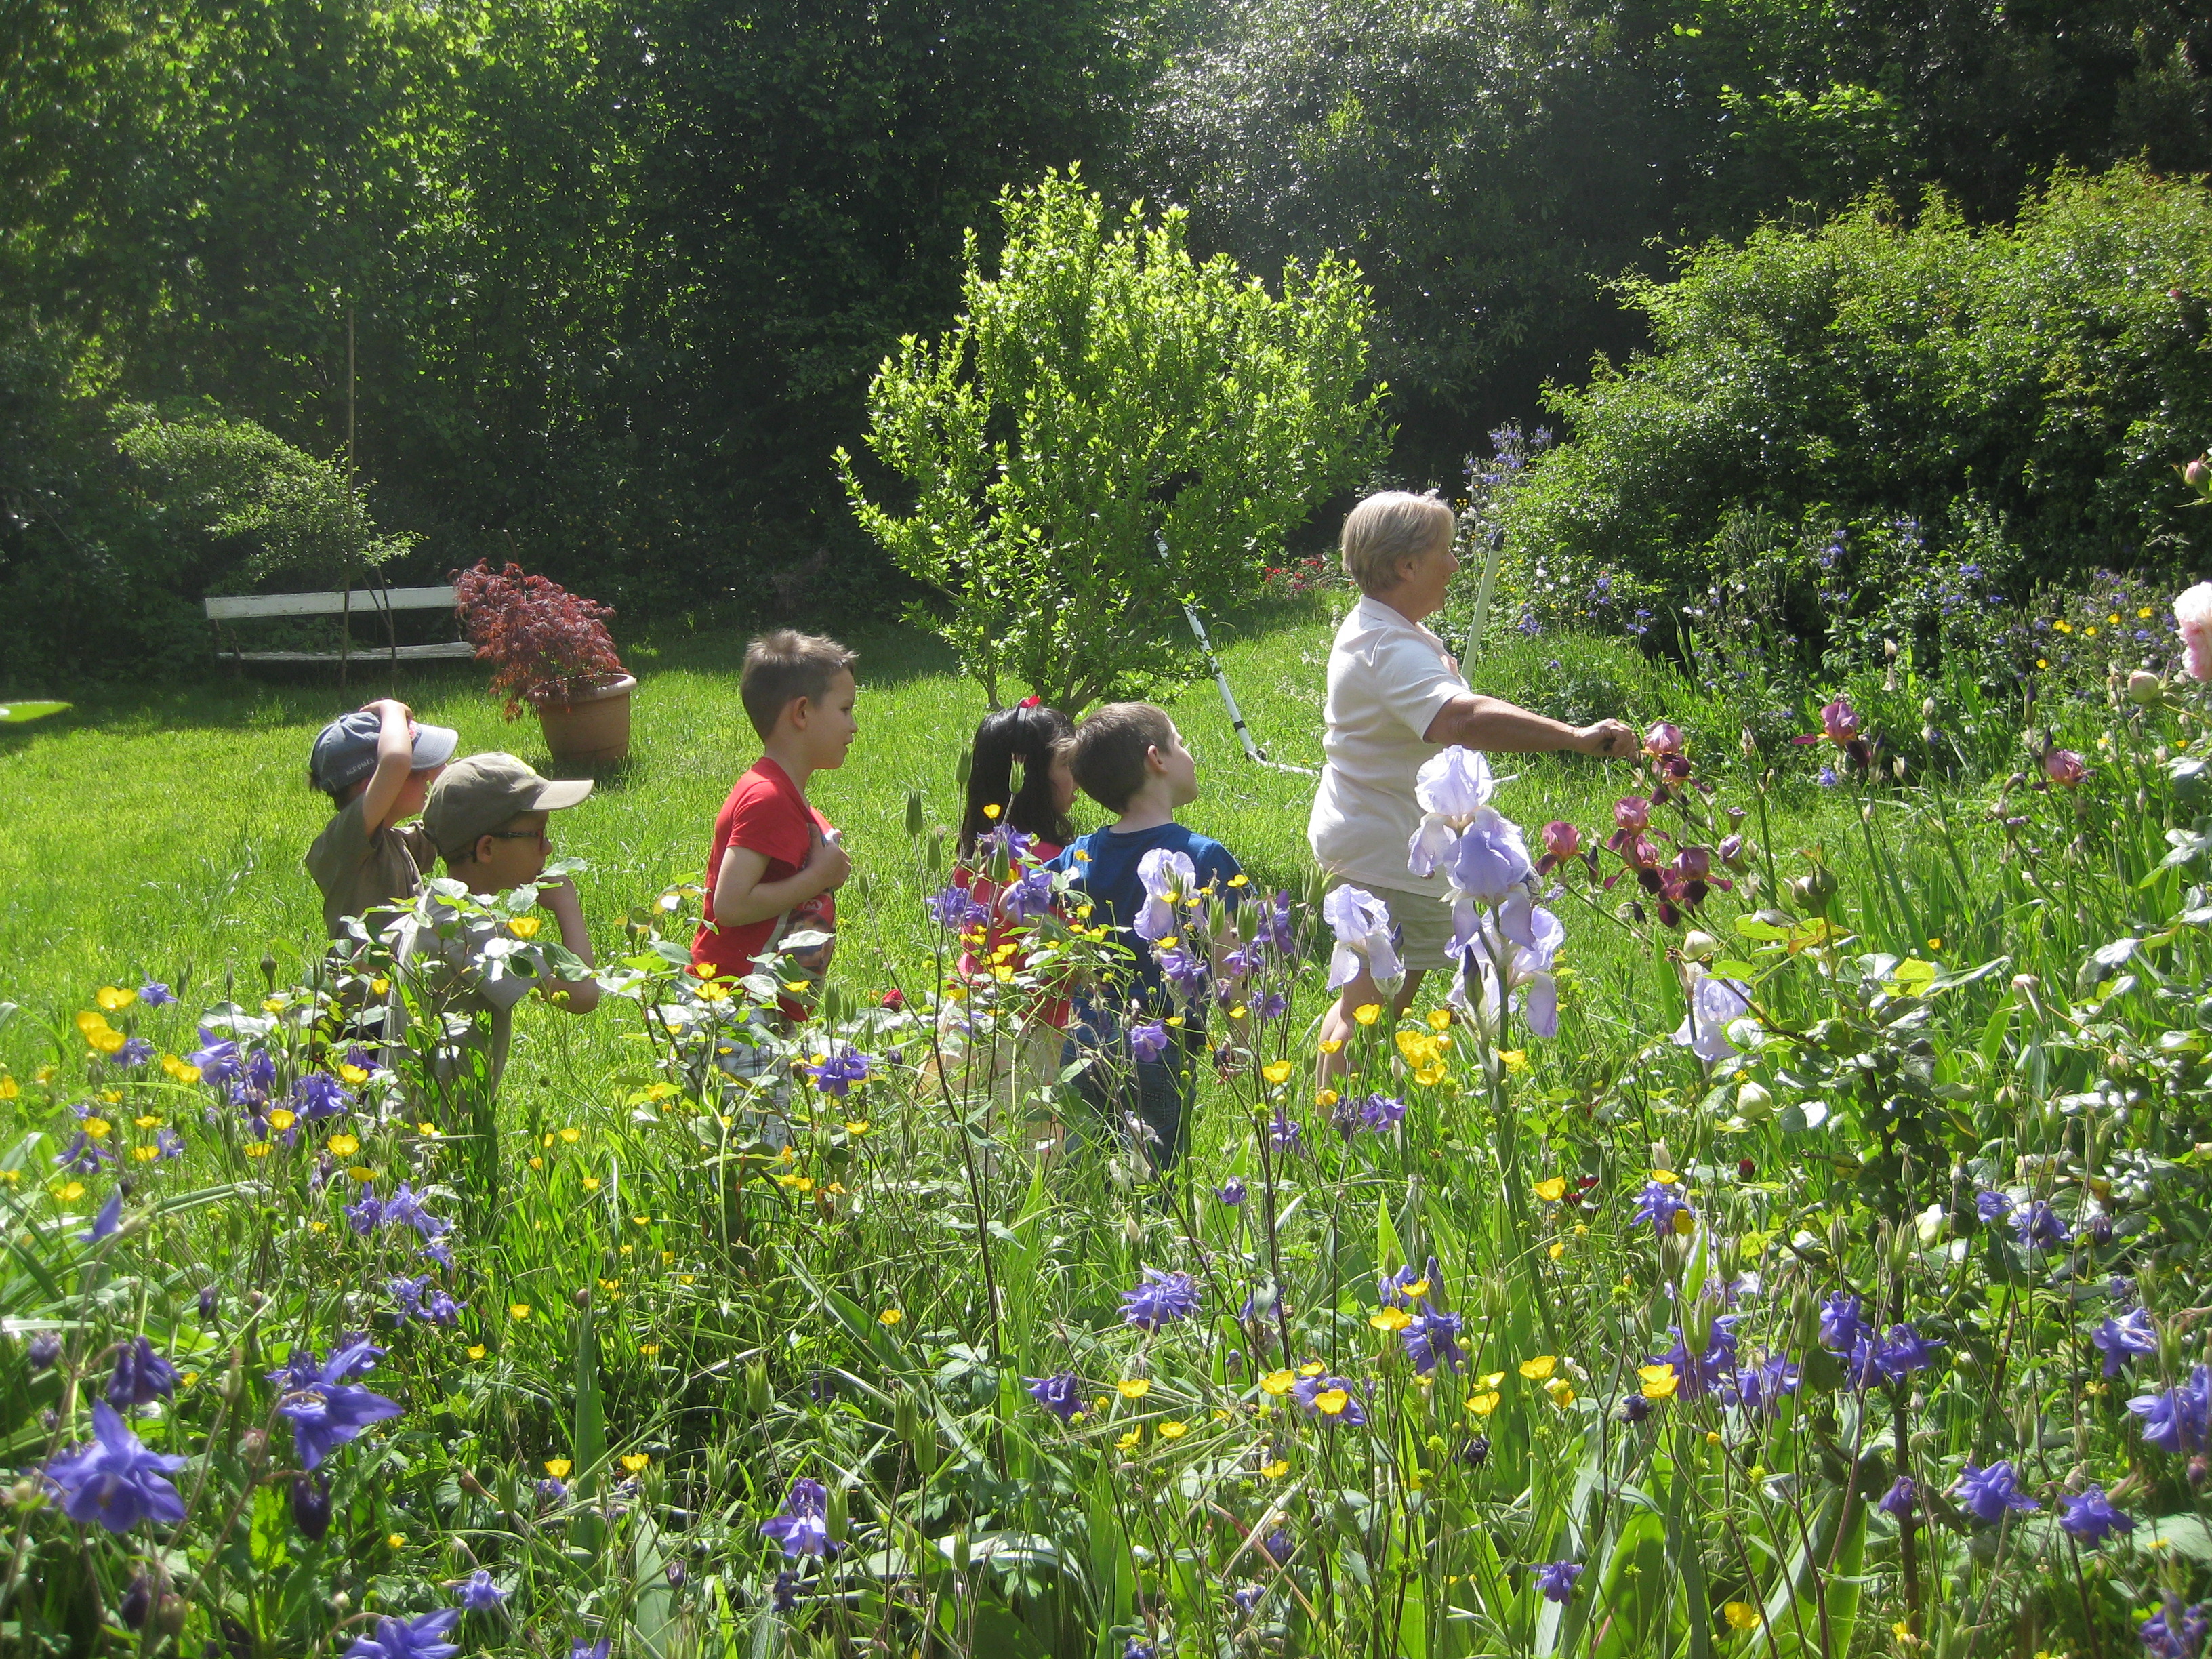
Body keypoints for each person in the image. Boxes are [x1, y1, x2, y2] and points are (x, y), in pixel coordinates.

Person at [1308, 491, 1636, 1062]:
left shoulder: (1387, 630)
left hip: (1375, 840)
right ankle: (1331, 1136)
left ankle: (1338, 1122)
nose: (1455, 566)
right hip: (1381, 853)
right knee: (1366, 1010)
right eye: (1445, 552)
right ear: (1408, 566)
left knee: (1378, 1004)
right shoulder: (1387, 644)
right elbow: (1458, 718)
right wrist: (1575, 737)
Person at [1045, 703, 1241, 1173]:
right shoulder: (1201, 856)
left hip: (1084, 1042)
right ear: (1158, 759)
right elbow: (1231, 961)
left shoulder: (1079, 855)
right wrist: (1240, 1040)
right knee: (1158, 1181)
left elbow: (1024, 902)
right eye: (1182, 742)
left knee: (1087, 1174)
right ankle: (1153, 1247)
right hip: (1160, 1045)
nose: (1190, 753)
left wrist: (1076, 967)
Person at [393, 752, 603, 1097]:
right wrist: (567, 904)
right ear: (487, 848)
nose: (548, 847)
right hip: (435, 1136)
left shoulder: (443, 906)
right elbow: (581, 995)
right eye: (537, 834)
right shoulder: (469, 925)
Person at [691, 630, 857, 1021]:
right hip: (734, 1007)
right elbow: (730, 906)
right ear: (802, 713)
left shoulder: (786, 794)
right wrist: (819, 877)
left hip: (761, 1004)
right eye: (845, 710)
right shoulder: (767, 797)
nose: (853, 727)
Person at [941, 701, 1079, 1153]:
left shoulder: (974, 854)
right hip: (1031, 1035)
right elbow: (1070, 958)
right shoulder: (1050, 867)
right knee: (1026, 1154)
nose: (1077, 775)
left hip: (968, 1018)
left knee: (967, 1147)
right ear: (1029, 773)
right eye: (1066, 762)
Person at [305, 700, 458, 938]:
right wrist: (392, 709)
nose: (428, 775)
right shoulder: (345, 842)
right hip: (364, 974)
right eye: (417, 769)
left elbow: (453, 812)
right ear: (372, 787)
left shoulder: (396, 841)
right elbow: (395, 762)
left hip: (400, 973)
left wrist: (436, 765)